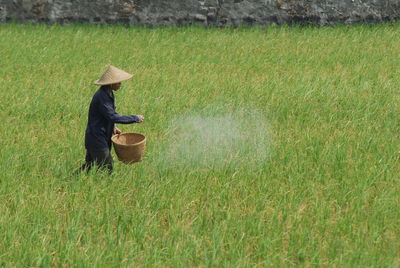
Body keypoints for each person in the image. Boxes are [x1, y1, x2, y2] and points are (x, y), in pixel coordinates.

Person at [78, 65, 144, 174]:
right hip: (96, 137)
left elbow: (105, 116)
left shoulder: (108, 93)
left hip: (100, 135)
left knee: (89, 166)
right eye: (118, 82)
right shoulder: (101, 97)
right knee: (107, 168)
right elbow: (112, 116)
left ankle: (70, 180)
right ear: (111, 83)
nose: (120, 84)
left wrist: (113, 127)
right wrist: (135, 118)